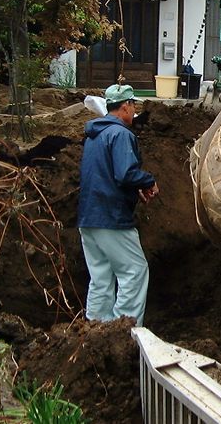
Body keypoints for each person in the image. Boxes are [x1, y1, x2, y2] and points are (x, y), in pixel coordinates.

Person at [77, 84, 159, 327]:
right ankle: (123, 332)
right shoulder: (121, 134)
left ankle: (94, 332)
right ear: (125, 106)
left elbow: (106, 174)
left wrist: (135, 188)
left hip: (88, 218)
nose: (134, 112)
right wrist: (149, 181)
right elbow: (125, 174)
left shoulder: (94, 136)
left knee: (100, 278)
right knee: (134, 271)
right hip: (111, 218)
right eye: (133, 106)